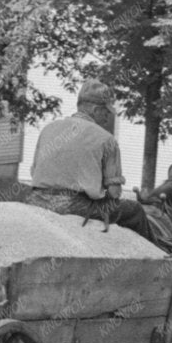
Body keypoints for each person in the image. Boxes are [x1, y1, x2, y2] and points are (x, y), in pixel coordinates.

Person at [25, 79, 150, 236]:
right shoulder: (107, 140)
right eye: (106, 112)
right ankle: (158, 258)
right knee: (135, 210)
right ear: (96, 110)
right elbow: (114, 193)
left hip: (36, 200)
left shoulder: (48, 129)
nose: (108, 118)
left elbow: (34, 172)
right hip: (75, 206)